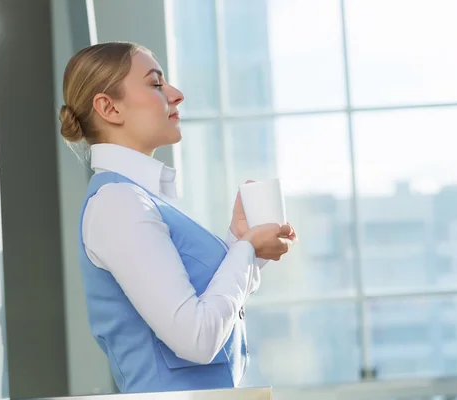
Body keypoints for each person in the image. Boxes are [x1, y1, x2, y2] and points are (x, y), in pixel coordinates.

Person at [59, 41, 297, 394]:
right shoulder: (119, 203)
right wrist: (244, 252)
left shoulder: (140, 199)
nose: (176, 94)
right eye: (156, 84)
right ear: (109, 107)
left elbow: (200, 308)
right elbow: (196, 338)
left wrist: (241, 245)